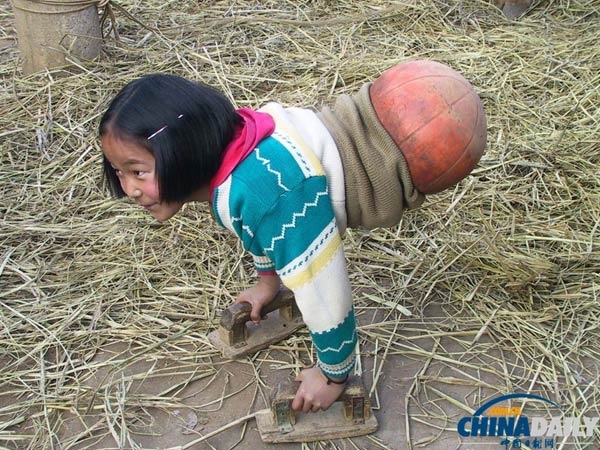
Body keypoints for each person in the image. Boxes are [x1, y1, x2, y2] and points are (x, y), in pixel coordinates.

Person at [99, 66, 486, 413]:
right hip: (400, 99)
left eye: (138, 171)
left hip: (416, 140)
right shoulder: (237, 146)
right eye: (119, 172)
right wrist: (268, 283)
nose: (130, 189)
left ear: (182, 152)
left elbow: (323, 284)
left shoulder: (271, 193)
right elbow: (259, 228)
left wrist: (334, 374)